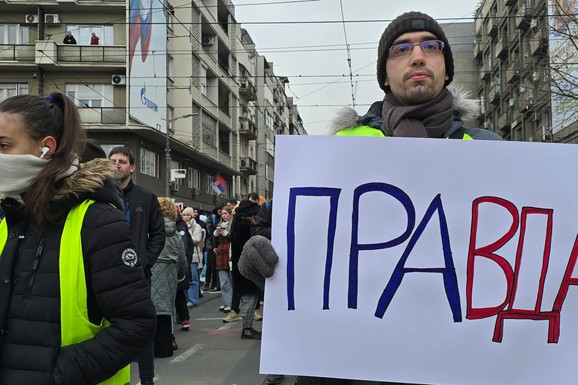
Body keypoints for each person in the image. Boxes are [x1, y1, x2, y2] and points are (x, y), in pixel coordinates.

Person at [0, 92, 156, 384]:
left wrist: (58, 375)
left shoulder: (96, 220)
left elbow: (136, 324)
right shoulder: (8, 218)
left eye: (3, 145)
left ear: (46, 148)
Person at [109, 145, 165, 385]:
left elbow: (158, 234)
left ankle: (147, 379)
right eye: (112, 160)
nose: (116, 164)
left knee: (141, 327)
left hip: (138, 276)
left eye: (122, 161)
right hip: (106, 274)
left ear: (132, 167)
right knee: (109, 330)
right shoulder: (98, 195)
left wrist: (145, 262)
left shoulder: (146, 197)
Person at [151, 198, 187, 358]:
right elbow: (183, 262)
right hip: (170, 280)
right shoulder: (176, 236)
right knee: (165, 314)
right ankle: (165, 349)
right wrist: (179, 276)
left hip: (151, 277)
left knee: (150, 315)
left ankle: (149, 351)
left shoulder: (150, 231)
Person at [229, 199, 262, 339]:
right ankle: (247, 328)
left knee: (250, 297)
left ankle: (248, 327)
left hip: (242, 266)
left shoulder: (237, 223)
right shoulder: (243, 226)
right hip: (246, 267)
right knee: (249, 297)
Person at [213, 206, 235, 317]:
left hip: (230, 254)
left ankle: (232, 303)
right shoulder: (219, 226)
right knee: (224, 282)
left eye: (226, 213)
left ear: (230, 214)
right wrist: (216, 237)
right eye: (223, 214)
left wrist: (227, 234)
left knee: (232, 281)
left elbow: (236, 239)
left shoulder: (233, 225)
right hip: (221, 254)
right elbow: (215, 241)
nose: (224, 215)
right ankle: (227, 303)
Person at [182, 207, 204, 308]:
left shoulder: (196, 226)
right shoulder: (181, 225)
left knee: (194, 279)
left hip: (194, 255)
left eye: (187, 215)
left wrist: (186, 237)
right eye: (184, 215)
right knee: (184, 278)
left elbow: (197, 239)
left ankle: (193, 299)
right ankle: (186, 299)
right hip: (184, 255)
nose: (185, 217)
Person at [175, 210, 193, 331]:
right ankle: (184, 318)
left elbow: (188, 245)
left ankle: (183, 318)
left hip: (175, 263)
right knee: (179, 292)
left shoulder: (181, 225)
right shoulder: (182, 225)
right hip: (181, 263)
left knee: (177, 292)